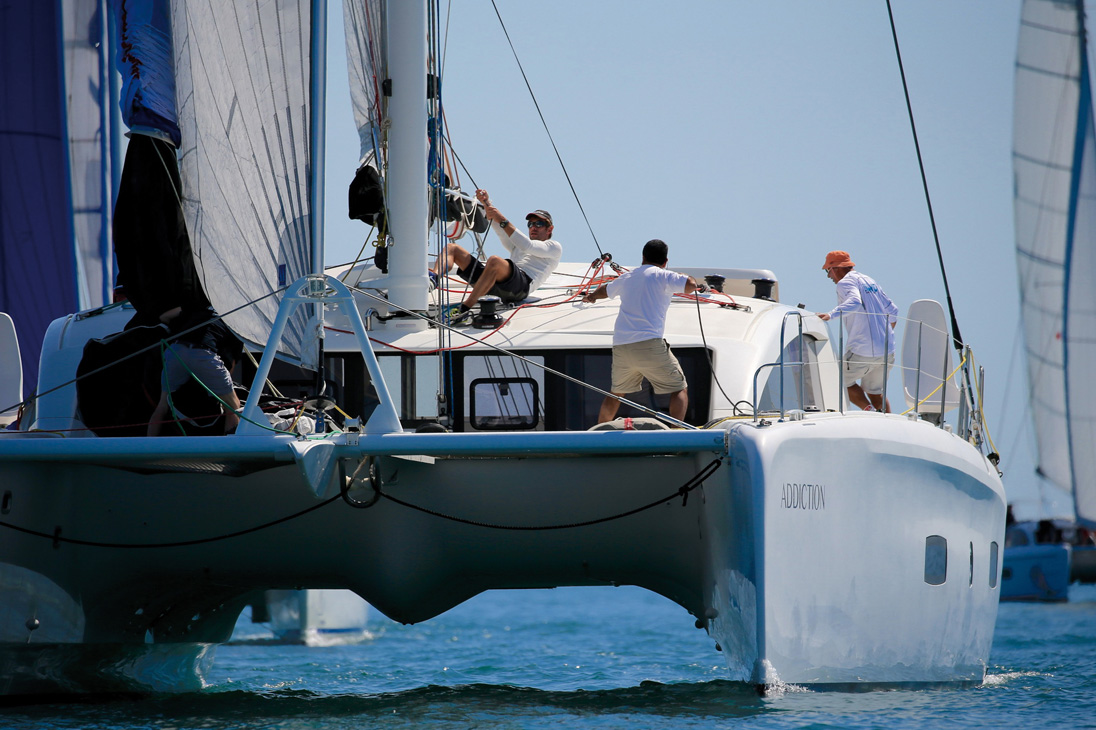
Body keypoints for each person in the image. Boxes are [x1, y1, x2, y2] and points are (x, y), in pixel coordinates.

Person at [582, 239, 703, 424]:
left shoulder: (627, 277)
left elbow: (606, 290)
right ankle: (676, 434)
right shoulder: (664, 276)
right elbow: (690, 286)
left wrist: (591, 297)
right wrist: (688, 277)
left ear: (643, 257)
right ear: (665, 261)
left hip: (622, 345)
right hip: (649, 343)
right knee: (679, 388)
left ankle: (598, 432)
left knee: (616, 394)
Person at [432, 189, 562, 321]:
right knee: (452, 248)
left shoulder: (553, 247)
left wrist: (502, 219)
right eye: (530, 224)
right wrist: (486, 203)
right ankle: (433, 278)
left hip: (520, 288)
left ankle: (464, 309)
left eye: (539, 224)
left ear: (549, 229)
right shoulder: (517, 246)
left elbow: (528, 246)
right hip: (495, 284)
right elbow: (500, 229)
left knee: (494, 261)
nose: (533, 227)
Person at [816, 250, 899, 412]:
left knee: (837, 378)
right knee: (875, 392)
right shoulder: (869, 281)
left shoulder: (844, 283)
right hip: (887, 350)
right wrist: (882, 336)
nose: (828, 276)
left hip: (862, 349)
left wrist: (830, 315)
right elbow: (893, 310)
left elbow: (854, 302)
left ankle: (869, 411)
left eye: (828, 271)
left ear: (836, 268)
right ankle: (887, 423)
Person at [147, 306, 244, 436]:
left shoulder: (196, 310)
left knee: (162, 406)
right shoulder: (233, 322)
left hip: (175, 351)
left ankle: (150, 445)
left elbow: (164, 317)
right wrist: (222, 389)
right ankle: (232, 448)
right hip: (202, 352)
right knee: (233, 406)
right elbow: (231, 365)